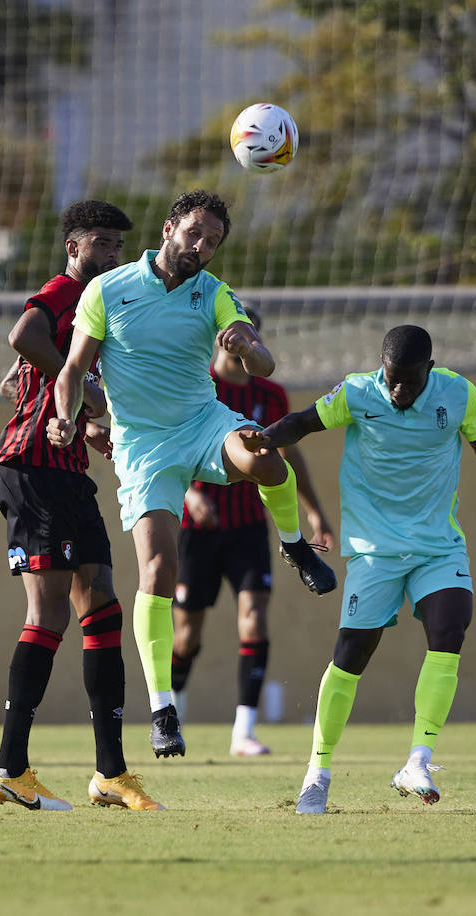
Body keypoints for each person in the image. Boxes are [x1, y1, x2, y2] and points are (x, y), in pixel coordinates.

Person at [47, 189, 336, 760]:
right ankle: (161, 708)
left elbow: (265, 361)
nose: (201, 247)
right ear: (169, 228)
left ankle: (295, 547)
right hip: (143, 446)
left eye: (212, 241)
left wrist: (246, 346)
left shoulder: (215, 292)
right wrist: (65, 420)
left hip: (204, 423)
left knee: (263, 456)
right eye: (194, 234)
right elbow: (73, 369)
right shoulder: (108, 290)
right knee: (157, 570)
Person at [240, 324, 476, 814]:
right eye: (391, 377)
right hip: (373, 550)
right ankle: (318, 772)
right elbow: (305, 422)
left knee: (452, 623)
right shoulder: (356, 392)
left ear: (430, 371)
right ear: (382, 366)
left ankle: (418, 760)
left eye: (410, 381)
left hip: (437, 545)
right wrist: (265, 438)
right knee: (352, 654)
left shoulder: (458, 394)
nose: (398, 389)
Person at [0, 200, 163, 812]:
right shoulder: (64, 290)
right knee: (51, 611)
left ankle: (110, 774)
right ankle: (10, 767)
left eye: (118, 246)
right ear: (74, 247)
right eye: (101, 243)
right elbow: (23, 338)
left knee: (104, 603)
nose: (111, 255)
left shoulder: (98, 309)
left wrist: (90, 425)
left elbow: (16, 381)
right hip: (32, 469)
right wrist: (78, 389)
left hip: (67, 471)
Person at [170, 306, 335, 757]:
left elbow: (288, 456)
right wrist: (190, 495)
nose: (238, 342)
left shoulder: (272, 396)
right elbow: (170, 444)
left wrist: (314, 512)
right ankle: (172, 717)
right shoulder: (195, 384)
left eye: (248, 335)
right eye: (230, 333)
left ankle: (244, 730)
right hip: (198, 529)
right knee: (186, 634)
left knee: (255, 617)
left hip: (248, 528)